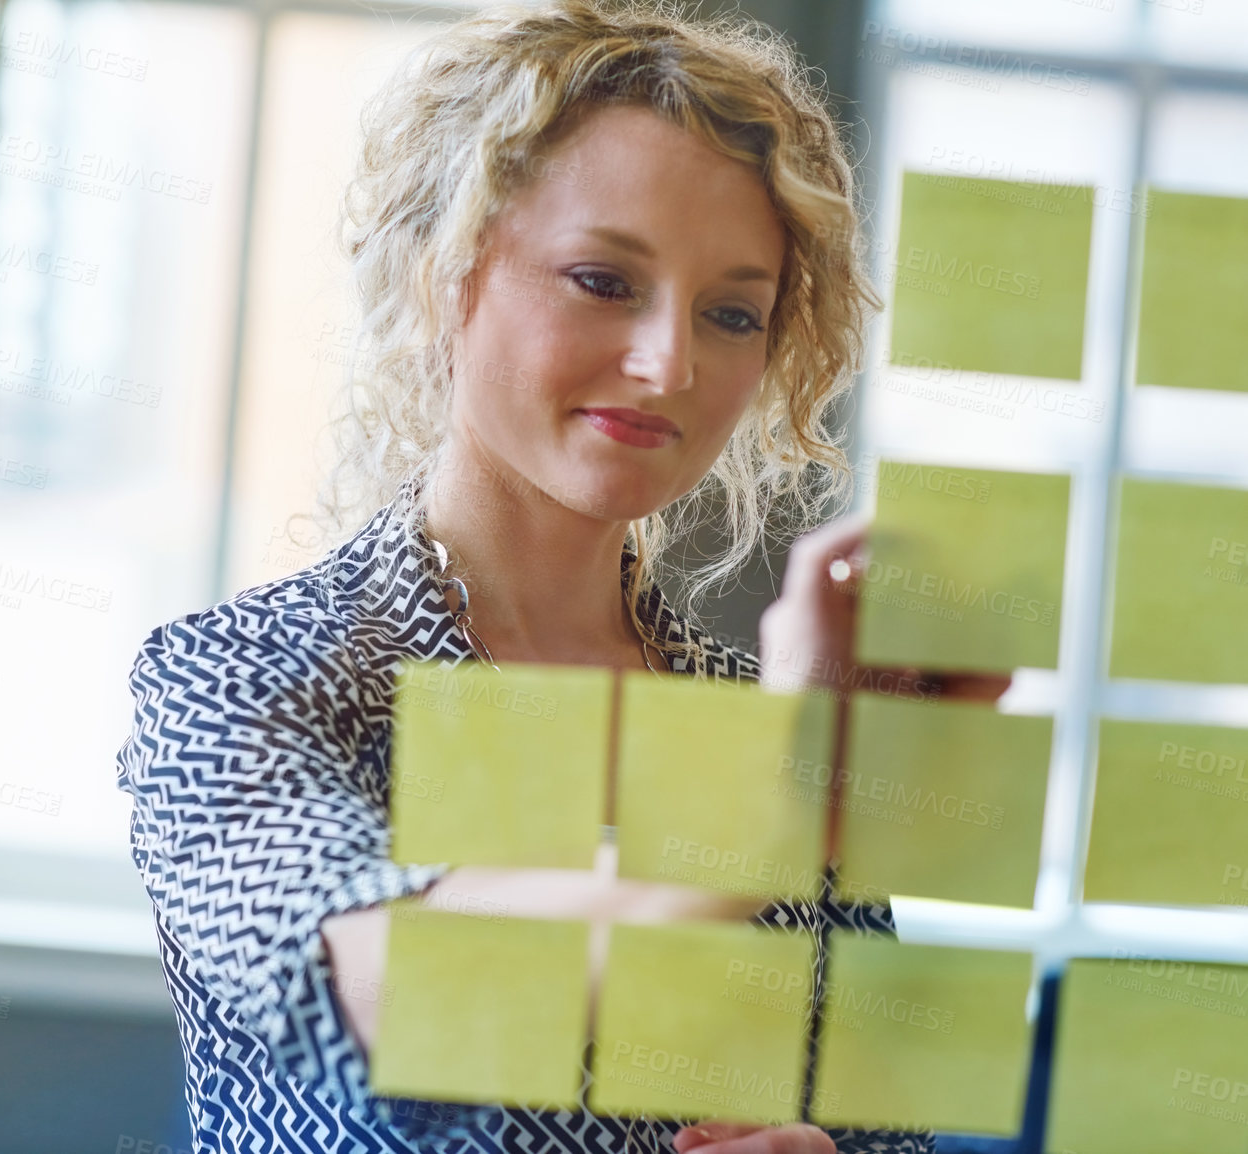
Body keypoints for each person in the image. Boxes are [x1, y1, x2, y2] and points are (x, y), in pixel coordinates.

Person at [117, 1, 976, 1150]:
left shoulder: (756, 708)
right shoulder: (244, 679)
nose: (667, 361)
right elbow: (397, 989)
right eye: (601, 280)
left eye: (730, 312)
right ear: (446, 271)